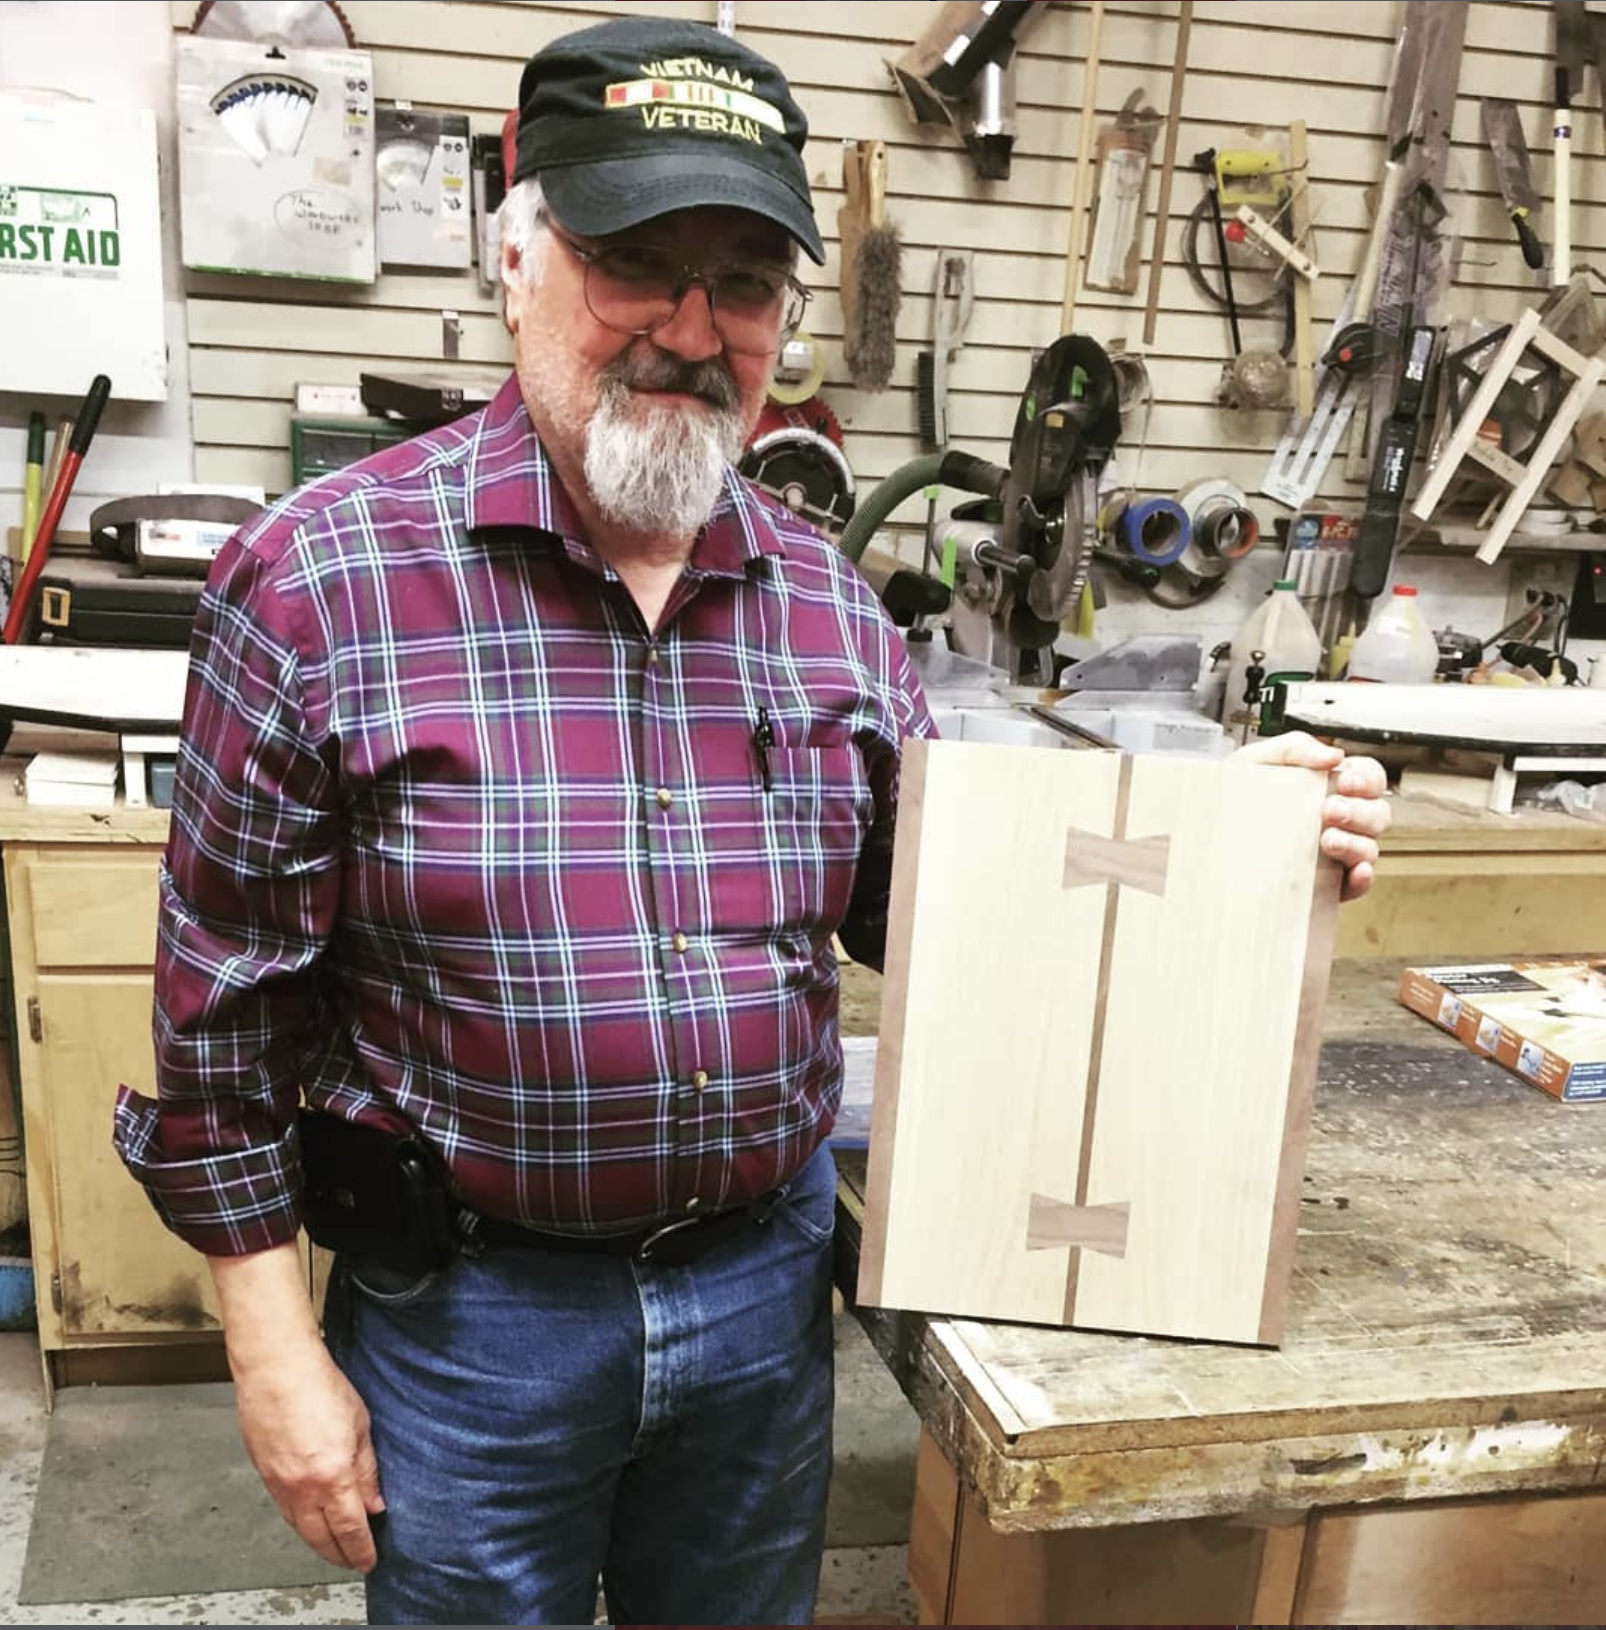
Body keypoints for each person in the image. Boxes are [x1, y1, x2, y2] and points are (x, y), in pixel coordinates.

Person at [113, 13, 1391, 1626]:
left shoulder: (826, 607)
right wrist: (272, 1349)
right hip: (471, 1321)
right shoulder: (318, 586)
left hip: (760, 1300)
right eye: (637, 260)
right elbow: (217, 1024)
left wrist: (1235, 840)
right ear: (518, 256)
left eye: (744, 281)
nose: (690, 326)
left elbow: (934, 906)